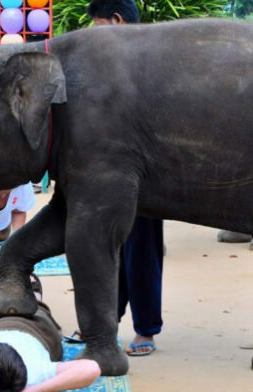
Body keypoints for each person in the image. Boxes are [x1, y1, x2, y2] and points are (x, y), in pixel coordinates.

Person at [72, 0, 164, 357]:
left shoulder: (149, 58)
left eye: (97, 24)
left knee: (141, 249)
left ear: (116, 20)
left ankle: (146, 330)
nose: (95, 34)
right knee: (108, 247)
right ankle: (103, 323)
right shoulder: (112, 62)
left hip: (147, 173)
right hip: (111, 170)